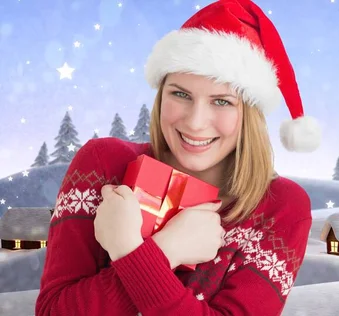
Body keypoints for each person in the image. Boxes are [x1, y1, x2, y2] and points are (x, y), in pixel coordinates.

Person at [35, 0, 322, 315]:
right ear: (161, 96)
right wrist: (166, 250)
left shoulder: (281, 208)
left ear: (251, 115)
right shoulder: (104, 165)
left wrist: (128, 250)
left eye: (222, 101)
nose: (196, 122)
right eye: (180, 94)